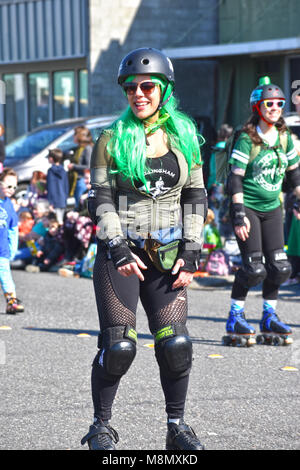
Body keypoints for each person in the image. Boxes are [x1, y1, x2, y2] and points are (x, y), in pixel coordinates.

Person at [81, 48, 207, 451]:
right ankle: (101, 425)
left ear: (164, 89)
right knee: (119, 346)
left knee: (176, 345)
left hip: (169, 256)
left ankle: (177, 427)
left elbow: (197, 196)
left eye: (147, 86)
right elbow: (98, 199)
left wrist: (192, 252)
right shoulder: (110, 139)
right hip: (122, 257)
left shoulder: (185, 136)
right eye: (131, 87)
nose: (139, 93)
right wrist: (117, 247)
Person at [223, 76, 300, 347]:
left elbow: (294, 174)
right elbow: (235, 178)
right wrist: (238, 213)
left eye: (280, 103)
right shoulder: (247, 138)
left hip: (273, 209)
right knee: (254, 269)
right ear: (258, 106)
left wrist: (298, 199)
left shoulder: (285, 137)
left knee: (280, 267)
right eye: (270, 103)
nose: (275, 108)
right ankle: (235, 316)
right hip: (250, 209)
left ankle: (268, 316)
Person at [0, 168, 24, 314]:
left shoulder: (9, 205)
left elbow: (13, 229)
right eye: (8, 186)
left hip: (2, 249)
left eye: (14, 187)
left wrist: (13, 248)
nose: (12, 189)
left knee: (5, 275)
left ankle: (11, 302)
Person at [68, 128, 93, 208]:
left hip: (83, 180)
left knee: (81, 205)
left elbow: (89, 166)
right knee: (77, 204)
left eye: (74, 135)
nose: (73, 137)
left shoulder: (87, 148)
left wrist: (74, 166)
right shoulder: (78, 149)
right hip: (77, 180)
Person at [46, 148, 69, 224]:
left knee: (55, 222)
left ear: (51, 159)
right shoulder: (64, 171)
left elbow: (51, 187)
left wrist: (51, 202)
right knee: (60, 220)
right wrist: (65, 199)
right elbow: (66, 186)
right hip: (62, 200)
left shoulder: (50, 171)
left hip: (54, 201)